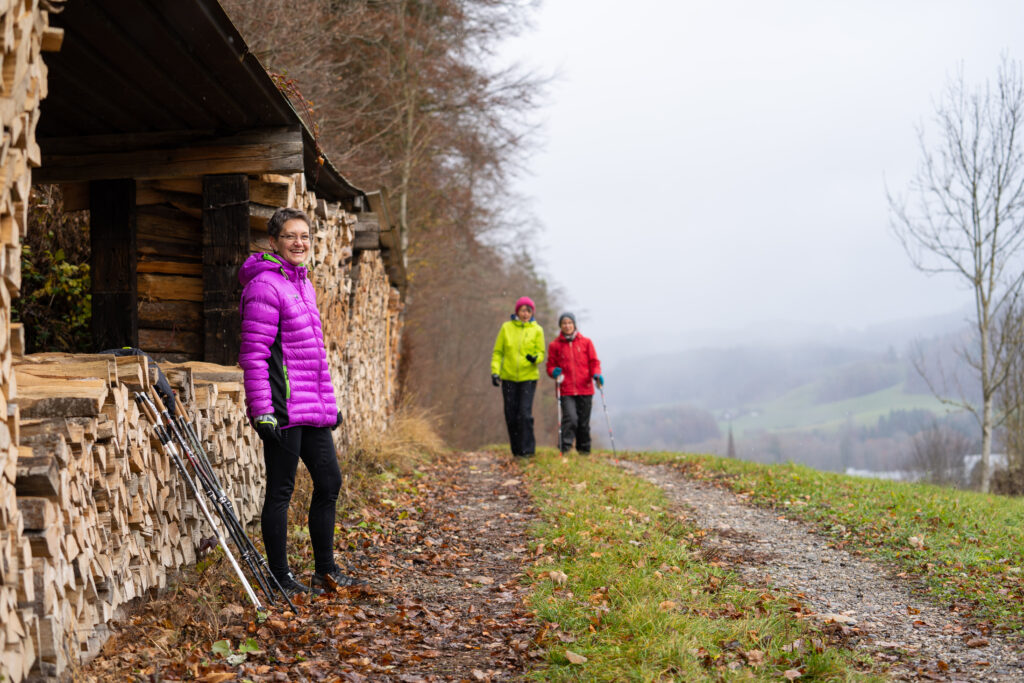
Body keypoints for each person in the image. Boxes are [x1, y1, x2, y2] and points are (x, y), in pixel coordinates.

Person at [238, 206, 359, 597]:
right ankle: (279, 576)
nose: (299, 242)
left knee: (329, 482)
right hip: (282, 409)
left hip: (311, 408)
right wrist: (262, 411)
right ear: (273, 242)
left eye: (304, 236)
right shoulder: (264, 286)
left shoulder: (302, 284)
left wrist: (329, 405)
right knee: (281, 491)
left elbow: (312, 355)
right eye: (290, 236)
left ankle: (324, 571)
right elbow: (255, 354)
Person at [491, 296, 545, 457]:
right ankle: (517, 451)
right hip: (508, 377)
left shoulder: (537, 330)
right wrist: (495, 371)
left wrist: (535, 358)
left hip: (528, 378)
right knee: (511, 415)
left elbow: (541, 353)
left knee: (525, 414)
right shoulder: (506, 328)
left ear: (532, 313)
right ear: (517, 311)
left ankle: (528, 450)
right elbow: (498, 352)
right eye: (523, 310)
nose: (526, 313)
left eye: (529, 311)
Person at [546, 312, 603, 454]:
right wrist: (554, 372)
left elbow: (594, 362)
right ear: (560, 326)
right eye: (564, 323)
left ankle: (584, 451)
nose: (567, 326)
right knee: (570, 418)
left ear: (574, 325)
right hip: (566, 390)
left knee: (583, 422)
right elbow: (550, 366)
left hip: (585, 388)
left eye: (569, 323)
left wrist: (596, 374)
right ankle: (564, 449)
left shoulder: (586, 342)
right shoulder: (555, 345)